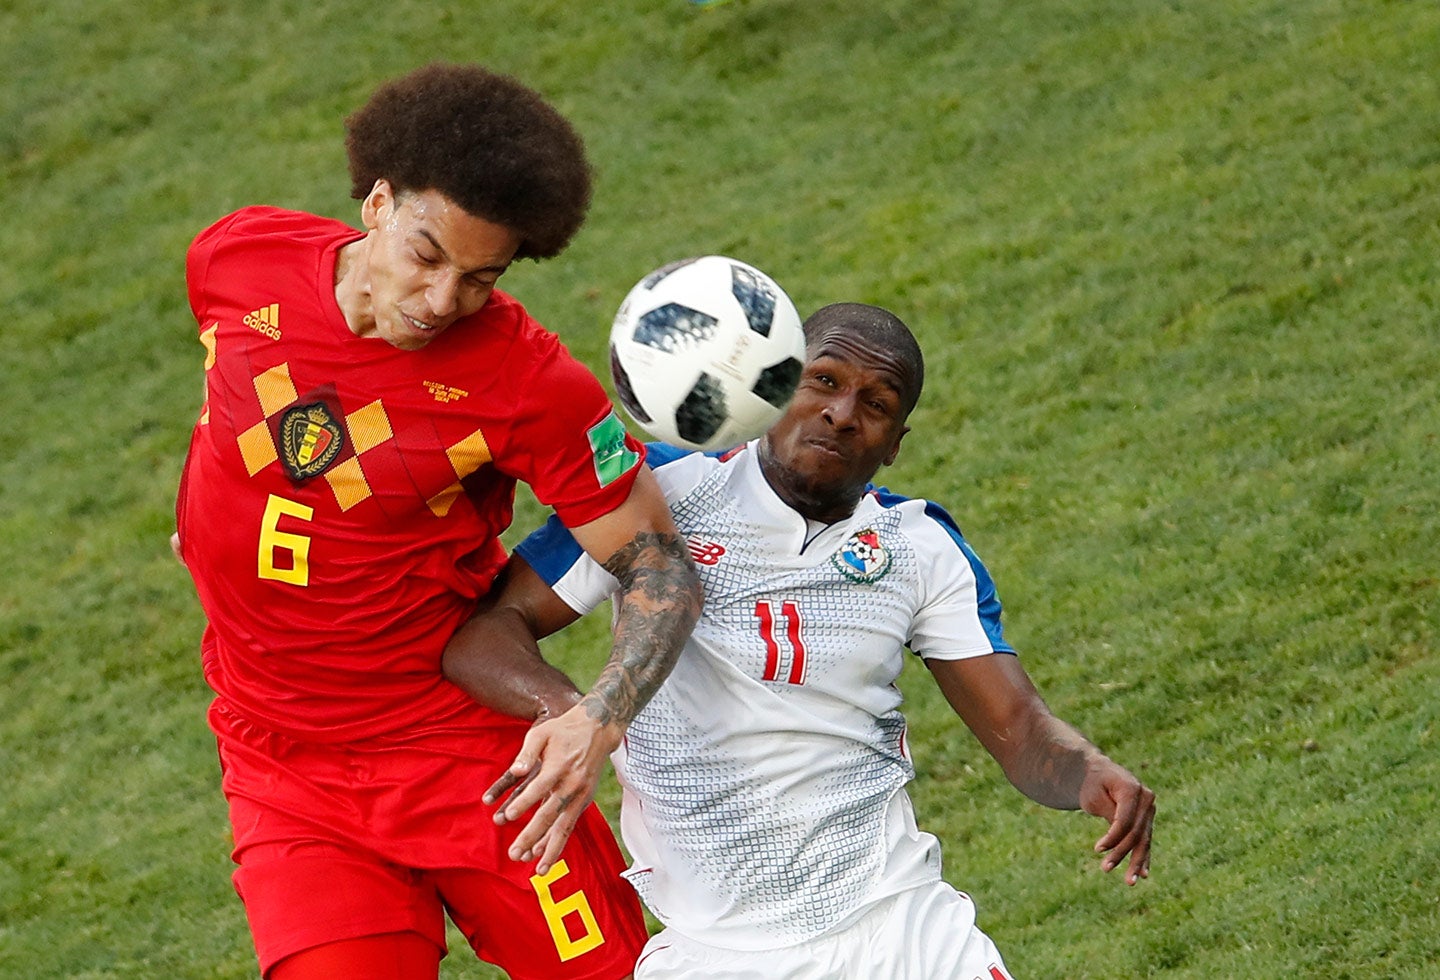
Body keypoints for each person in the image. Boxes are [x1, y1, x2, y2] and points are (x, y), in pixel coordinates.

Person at [172, 63, 702, 980]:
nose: (442, 301)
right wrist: (210, 512)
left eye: (480, 278)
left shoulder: (528, 385)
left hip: (464, 757)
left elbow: (660, 569)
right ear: (378, 201)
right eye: (427, 255)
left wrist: (599, 720)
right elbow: (231, 392)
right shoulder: (237, 258)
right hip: (281, 765)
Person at [442, 302, 1156, 978]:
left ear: (896, 444)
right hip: (715, 952)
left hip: (901, 930)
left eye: (876, 405)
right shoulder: (660, 494)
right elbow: (486, 635)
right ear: (775, 383)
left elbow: (1021, 730)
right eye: (824, 381)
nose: (842, 414)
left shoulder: (920, 548)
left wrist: (1089, 772)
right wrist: (574, 713)